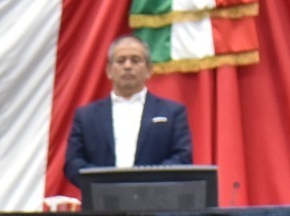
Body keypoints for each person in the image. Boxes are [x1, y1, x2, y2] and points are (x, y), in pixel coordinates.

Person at [64, 35, 194, 186]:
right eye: (121, 61)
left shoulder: (172, 113)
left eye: (135, 60)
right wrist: (104, 185)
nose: (127, 66)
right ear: (109, 70)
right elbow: (73, 163)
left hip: (157, 203)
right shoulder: (86, 116)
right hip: (101, 204)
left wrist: (144, 184)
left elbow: (182, 158)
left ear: (149, 70)